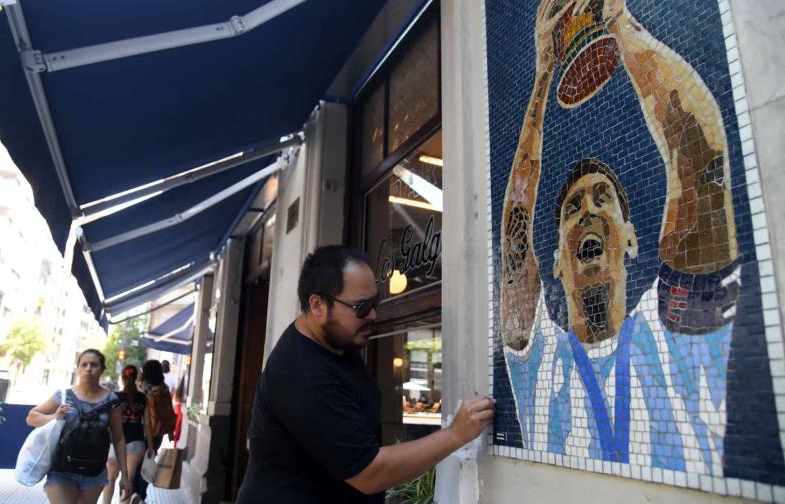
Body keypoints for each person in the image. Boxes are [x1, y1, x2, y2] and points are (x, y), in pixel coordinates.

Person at [498, 0, 740, 474]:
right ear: (555, 263)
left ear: (631, 240)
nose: (587, 210)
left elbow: (700, 163)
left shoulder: (674, 337)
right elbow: (513, 236)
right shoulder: (539, 365)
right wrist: (543, 76)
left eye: (602, 198)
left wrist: (619, 23)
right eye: (572, 207)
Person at [236, 245, 496, 503]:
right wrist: (456, 434)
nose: (373, 314)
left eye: (374, 302)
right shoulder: (300, 373)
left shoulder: (336, 342)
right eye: (361, 307)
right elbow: (368, 473)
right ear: (317, 305)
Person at [27, 349, 131, 504]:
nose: (88, 368)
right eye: (84, 365)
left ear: (102, 369)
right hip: (61, 470)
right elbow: (31, 417)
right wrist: (54, 417)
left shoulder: (112, 400)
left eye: (94, 365)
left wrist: (125, 475)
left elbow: (118, 438)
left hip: (94, 473)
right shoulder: (63, 396)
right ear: (77, 369)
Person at [131, 359, 175, 501]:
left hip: (138, 430)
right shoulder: (164, 389)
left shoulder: (140, 387)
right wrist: (170, 432)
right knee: (148, 463)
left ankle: (132, 493)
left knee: (135, 463)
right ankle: (141, 494)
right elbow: (168, 412)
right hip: (157, 432)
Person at [102, 365, 146, 504]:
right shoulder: (143, 398)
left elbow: (107, 422)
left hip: (114, 442)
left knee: (110, 477)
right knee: (128, 480)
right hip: (136, 442)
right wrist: (150, 446)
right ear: (137, 378)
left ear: (122, 377)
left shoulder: (114, 397)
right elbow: (148, 425)